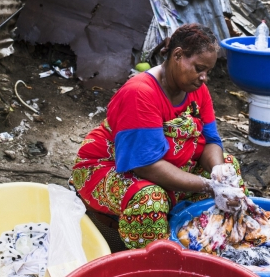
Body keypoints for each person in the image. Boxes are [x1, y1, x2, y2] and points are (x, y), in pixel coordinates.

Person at [72, 23, 246, 250]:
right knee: (149, 200)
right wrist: (209, 186)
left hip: (165, 165)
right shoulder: (140, 93)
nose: (204, 78)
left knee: (230, 168)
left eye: (207, 71)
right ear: (178, 55)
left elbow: (211, 141)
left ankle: (213, 242)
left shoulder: (196, 89)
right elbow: (146, 166)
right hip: (111, 167)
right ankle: (154, 264)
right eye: (199, 68)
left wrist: (218, 173)